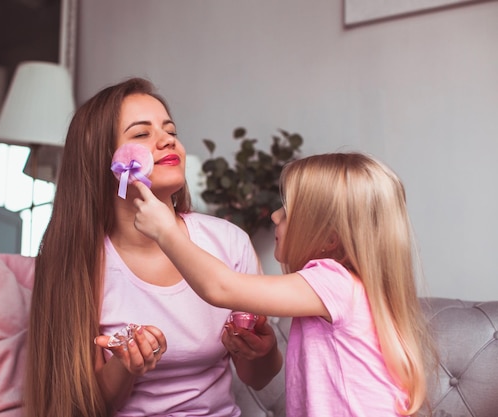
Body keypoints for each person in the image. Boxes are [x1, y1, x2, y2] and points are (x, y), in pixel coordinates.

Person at [24, 77, 283, 417]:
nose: (167, 141)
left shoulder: (228, 242)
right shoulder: (77, 262)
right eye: (141, 134)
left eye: (171, 131)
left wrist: (262, 352)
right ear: (100, 160)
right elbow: (85, 405)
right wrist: (126, 366)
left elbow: (258, 377)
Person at [132, 152, 436, 416]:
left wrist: (165, 232)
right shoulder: (349, 288)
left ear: (330, 239)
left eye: (289, 212)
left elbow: (221, 288)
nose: (276, 216)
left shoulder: (332, 280)